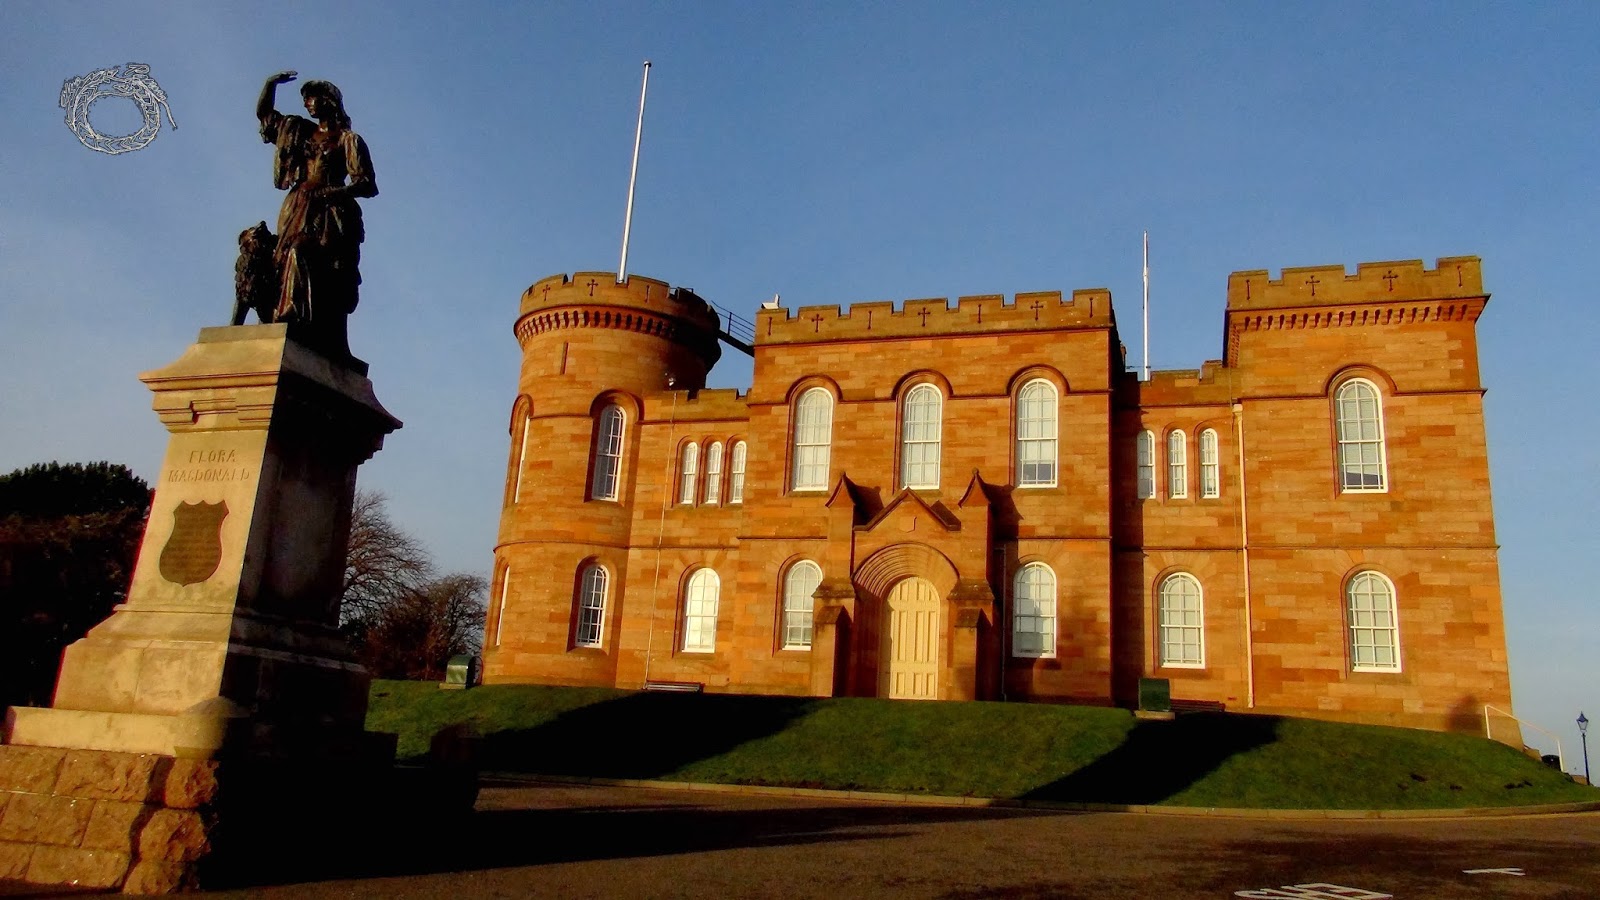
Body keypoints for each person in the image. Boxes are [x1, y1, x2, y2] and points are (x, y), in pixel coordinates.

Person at [255, 70, 377, 360]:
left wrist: (335, 193)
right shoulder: (299, 130)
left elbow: (367, 184)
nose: (308, 104)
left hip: (331, 212)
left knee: (310, 258)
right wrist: (269, 85)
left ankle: (294, 318)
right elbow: (265, 115)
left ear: (328, 101)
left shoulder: (348, 140)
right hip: (298, 204)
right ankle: (282, 316)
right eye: (305, 99)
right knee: (282, 259)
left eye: (312, 98)